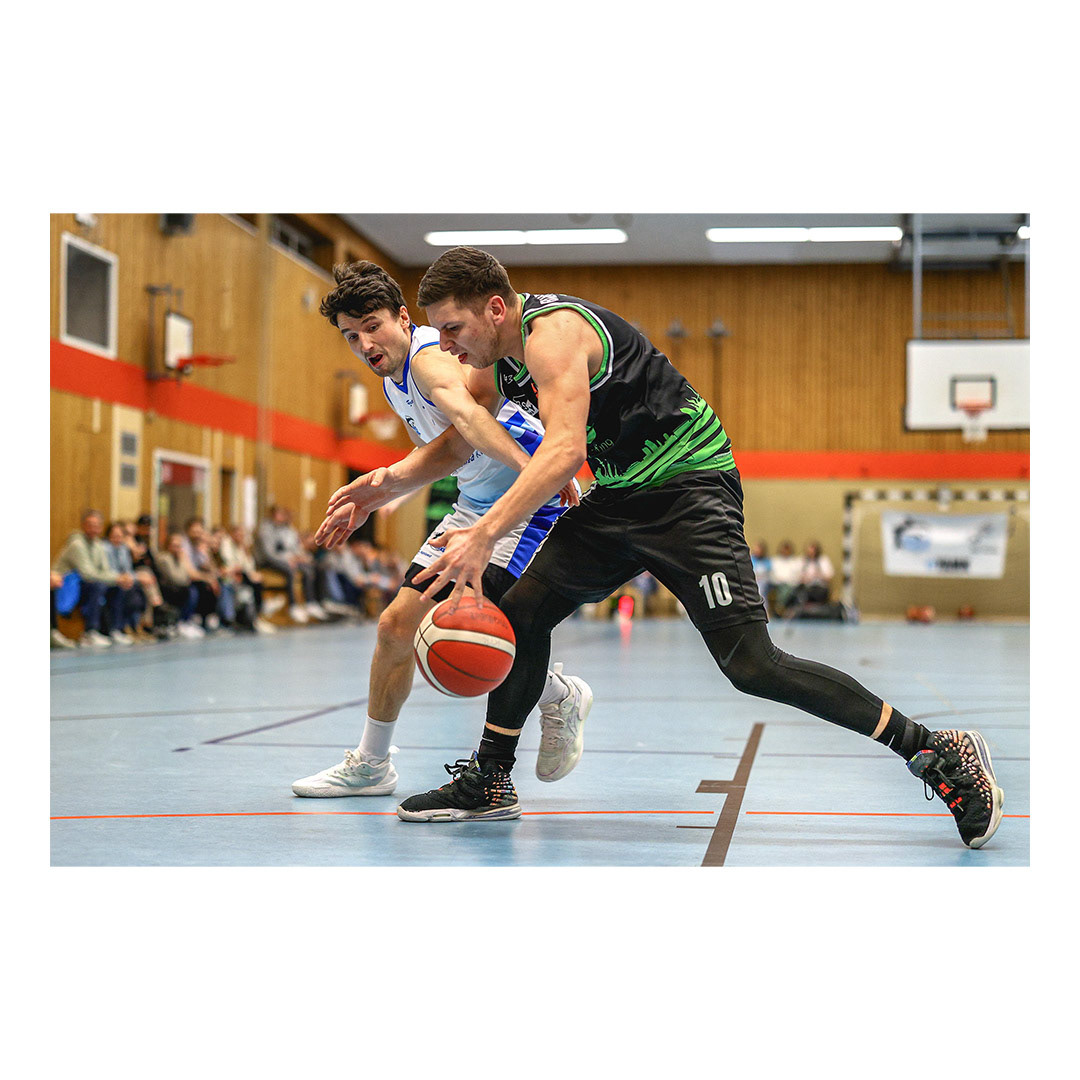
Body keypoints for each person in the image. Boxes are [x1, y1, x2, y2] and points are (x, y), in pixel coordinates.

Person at [375, 246, 1003, 849]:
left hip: (688, 492)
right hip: (620, 498)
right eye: (438, 331)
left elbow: (565, 450)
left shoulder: (552, 335)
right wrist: (384, 485)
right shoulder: (496, 361)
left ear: (495, 309)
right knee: (520, 614)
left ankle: (936, 749)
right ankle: (490, 780)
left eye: (453, 328)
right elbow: (464, 433)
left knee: (751, 665)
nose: (446, 345)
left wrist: (485, 531)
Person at [296, 260, 592, 799]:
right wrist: (382, 494)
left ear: (403, 318)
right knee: (395, 626)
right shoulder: (392, 378)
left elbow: (473, 423)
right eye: (351, 336)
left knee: (485, 628)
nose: (364, 344)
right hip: (473, 503)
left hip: (525, 502)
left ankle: (557, 697)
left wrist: (537, 473)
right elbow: (446, 453)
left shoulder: (430, 360)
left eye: (372, 326)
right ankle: (372, 764)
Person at [52, 510, 136, 648]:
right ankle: (90, 632)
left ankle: (115, 629)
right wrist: (117, 578)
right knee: (97, 586)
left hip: (86, 584)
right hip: (65, 585)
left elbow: (105, 570)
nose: (93, 529)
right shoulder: (77, 544)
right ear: (83, 525)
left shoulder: (98, 545)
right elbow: (87, 574)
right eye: (90, 525)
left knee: (117, 588)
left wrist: (120, 579)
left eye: (97, 526)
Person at [255, 505, 328, 624]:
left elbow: (292, 548)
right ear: (273, 515)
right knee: (290, 570)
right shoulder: (265, 529)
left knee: (309, 569)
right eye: (280, 514)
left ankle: (311, 603)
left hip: (286, 559)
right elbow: (270, 554)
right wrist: (288, 559)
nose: (283, 517)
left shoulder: (286, 529)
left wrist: (299, 557)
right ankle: (293, 606)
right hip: (267, 561)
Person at [769, 540, 802, 615]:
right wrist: (780, 580)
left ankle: (781, 607)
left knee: (787, 588)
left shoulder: (795, 561)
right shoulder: (775, 561)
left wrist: (789, 581)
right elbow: (772, 575)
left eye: (787, 550)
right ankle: (782, 608)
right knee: (783, 588)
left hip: (791, 584)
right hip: (777, 584)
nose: (785, 551)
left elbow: (797, 576)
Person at [797, 540, 834, 605]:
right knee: (801, 594)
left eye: (812, 552)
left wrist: (819, 575)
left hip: (821, 587)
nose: (811, 554)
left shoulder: (823, 560)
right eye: (809, 552)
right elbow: (798, 578)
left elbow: (829, 578)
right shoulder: (803, 561)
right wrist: (805, 578)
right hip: (807, 587)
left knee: (819, 594)